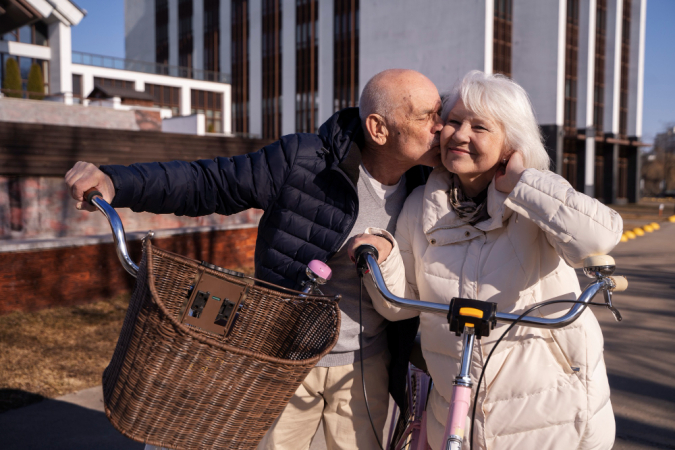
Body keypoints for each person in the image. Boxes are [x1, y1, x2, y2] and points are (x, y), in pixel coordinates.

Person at [65, 69, 443, 449]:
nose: (441, 127)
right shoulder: (304, 160)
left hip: (368, 362)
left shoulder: (430, 186)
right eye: (428, 116)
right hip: (285, 357)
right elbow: (210, 183)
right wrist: (117, 182)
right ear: (378, 129)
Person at [348, 71, 622, 450]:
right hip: (457, 410)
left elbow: (600, 237)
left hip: (548, 411)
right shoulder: (420, 206)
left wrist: (521, 183)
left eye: (480, 127)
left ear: (511, 141)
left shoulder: (538, 195)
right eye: (455, 122)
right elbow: (399, 304)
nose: (460, 135)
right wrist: (386, 254)